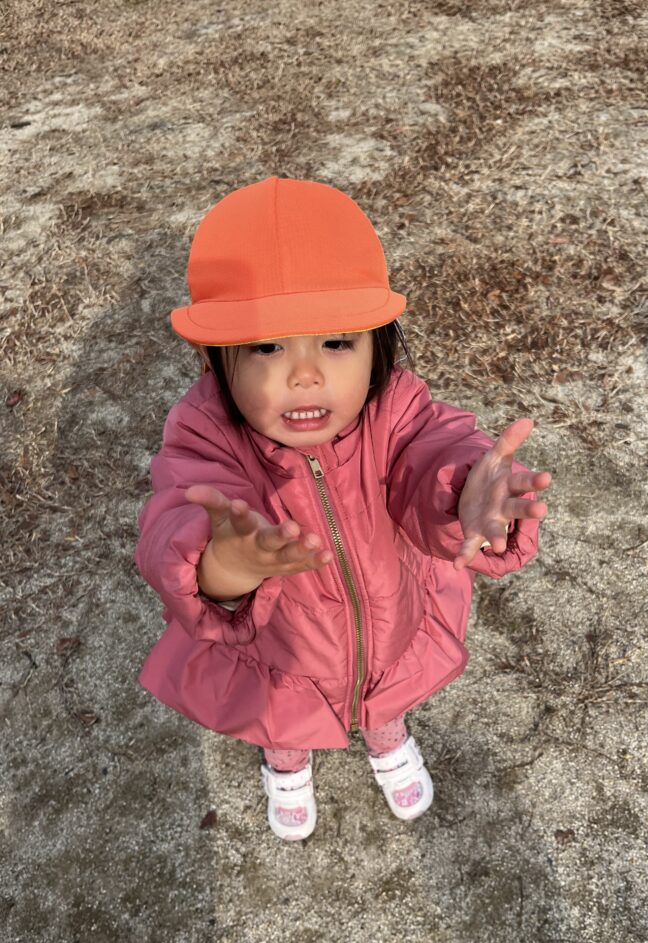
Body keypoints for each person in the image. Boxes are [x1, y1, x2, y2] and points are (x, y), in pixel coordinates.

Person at [134, 176, 552, 842]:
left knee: (387, 692)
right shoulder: (206, 433)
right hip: (280, 649)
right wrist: (227, 565)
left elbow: (430, 458)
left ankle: (386, 735)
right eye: (267, 346)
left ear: (377, 345)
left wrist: (464, 491)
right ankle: (286, 759)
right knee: (282, 713)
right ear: (216, 361)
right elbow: (170, 528)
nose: (305, 374)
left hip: (388, 622)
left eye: (336, 343)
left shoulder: (395, 410)